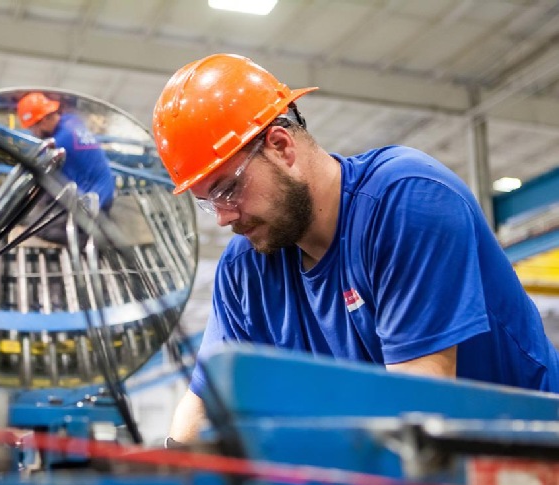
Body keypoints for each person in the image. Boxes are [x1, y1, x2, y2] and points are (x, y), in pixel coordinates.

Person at [151, 53, 559, 444]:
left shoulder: (405, 201)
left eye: (228, 189)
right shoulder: (246, 271)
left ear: (281, 146)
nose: (223, 217)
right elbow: (205, 403)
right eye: (209, 202)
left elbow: (419, 406)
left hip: (524, 464)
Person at [16, 92, 116, 245]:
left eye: (33, 127)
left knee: (38, 227)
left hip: (94, 203)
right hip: (105, 189)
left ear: (43, 121)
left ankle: (94, 240)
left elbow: (43, 177)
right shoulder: (71, 121)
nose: (33, 133)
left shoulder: (59, 143)